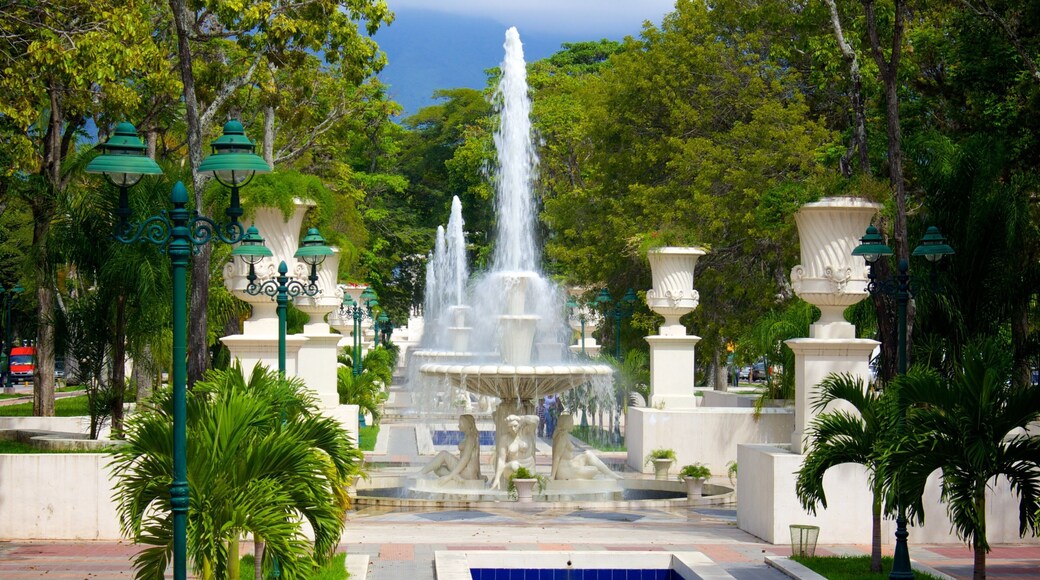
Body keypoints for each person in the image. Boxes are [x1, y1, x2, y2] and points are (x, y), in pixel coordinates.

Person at [550, 413, 621, 481]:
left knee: (587, 454)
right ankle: (610, 474)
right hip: (565, 472)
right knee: (594, 470)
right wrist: (552, 476)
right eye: (571, 423)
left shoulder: (563, 435)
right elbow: (556, 457)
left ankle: (610, 474)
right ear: (566, 424)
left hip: (569, 465)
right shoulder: (562, 437)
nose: (573, 425)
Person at [420, 414, 483, 484]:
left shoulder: (470, 438)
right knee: (437, 468)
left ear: (467, 424)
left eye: (460, 423)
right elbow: (477, 458)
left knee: (443, 454)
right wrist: (479, 475)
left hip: (467, 473)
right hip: (469, 473)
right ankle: (455, 477)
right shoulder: (473, 437)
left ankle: (421, 473)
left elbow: (465, 459)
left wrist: (448, 477)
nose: (458, 425)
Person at [491, 414, 539, 489]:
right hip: (512, 467)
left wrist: (521, 418)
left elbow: (536, 419)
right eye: (510, 427)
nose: (513, 429)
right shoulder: (504, 439)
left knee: (532, 488)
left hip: (529, 465)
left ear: (519, 425)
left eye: (515, 426)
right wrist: (497, 478)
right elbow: (501, 459)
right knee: (514, 465)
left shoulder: (525, 432)